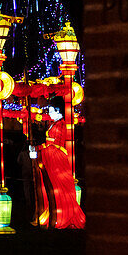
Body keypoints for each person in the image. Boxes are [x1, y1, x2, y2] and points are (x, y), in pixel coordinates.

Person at [31, 96, 85, 229]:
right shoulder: (53, 124)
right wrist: (37, 148)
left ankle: (62, 216)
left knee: (59, 188)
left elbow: (56, 145)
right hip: (51, 157)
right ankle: (51, 214)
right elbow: (48, 143)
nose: (48, 113)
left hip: (57, 159)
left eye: (51, 110)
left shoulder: (62, 125)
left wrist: (39, 149)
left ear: (58, 111)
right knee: (51, 188)